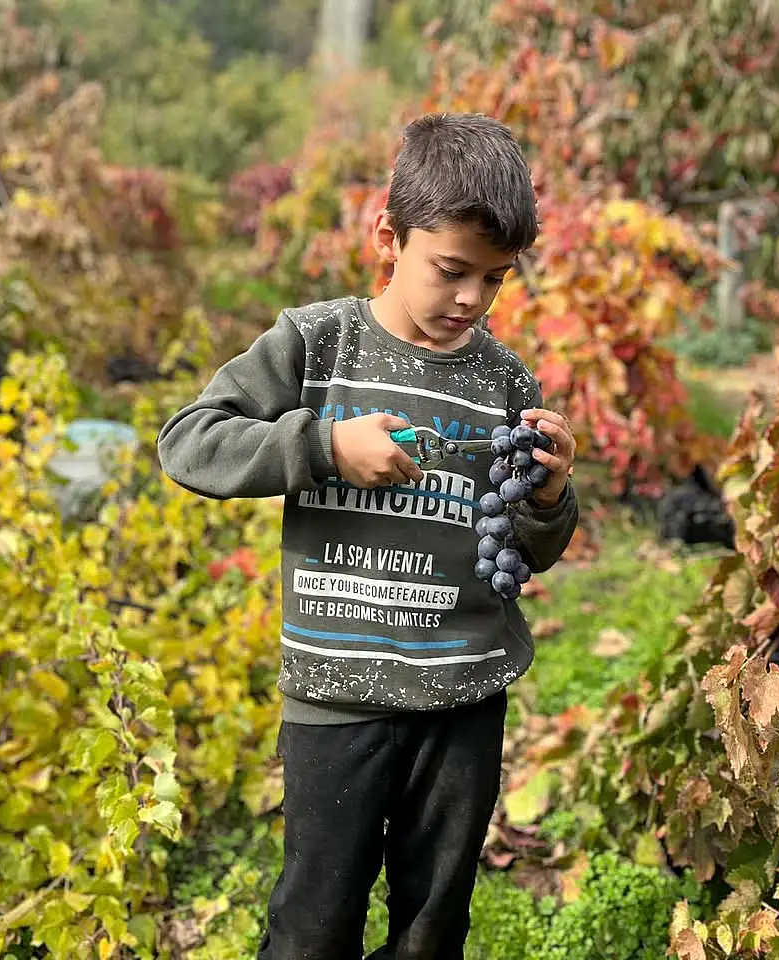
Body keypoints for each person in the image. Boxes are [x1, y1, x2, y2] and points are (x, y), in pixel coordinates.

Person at [157, 112, 580, 960]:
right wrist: (320, 445)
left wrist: (552, 492)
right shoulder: (318, 344)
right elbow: (189, 440)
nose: (471, 299)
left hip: (462, 704)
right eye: (452, 270)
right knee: (314, 925)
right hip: (335, 700)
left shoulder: (504, 381)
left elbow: (526, 549)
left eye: (495, 280)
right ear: (389, 236)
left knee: (431, 930)